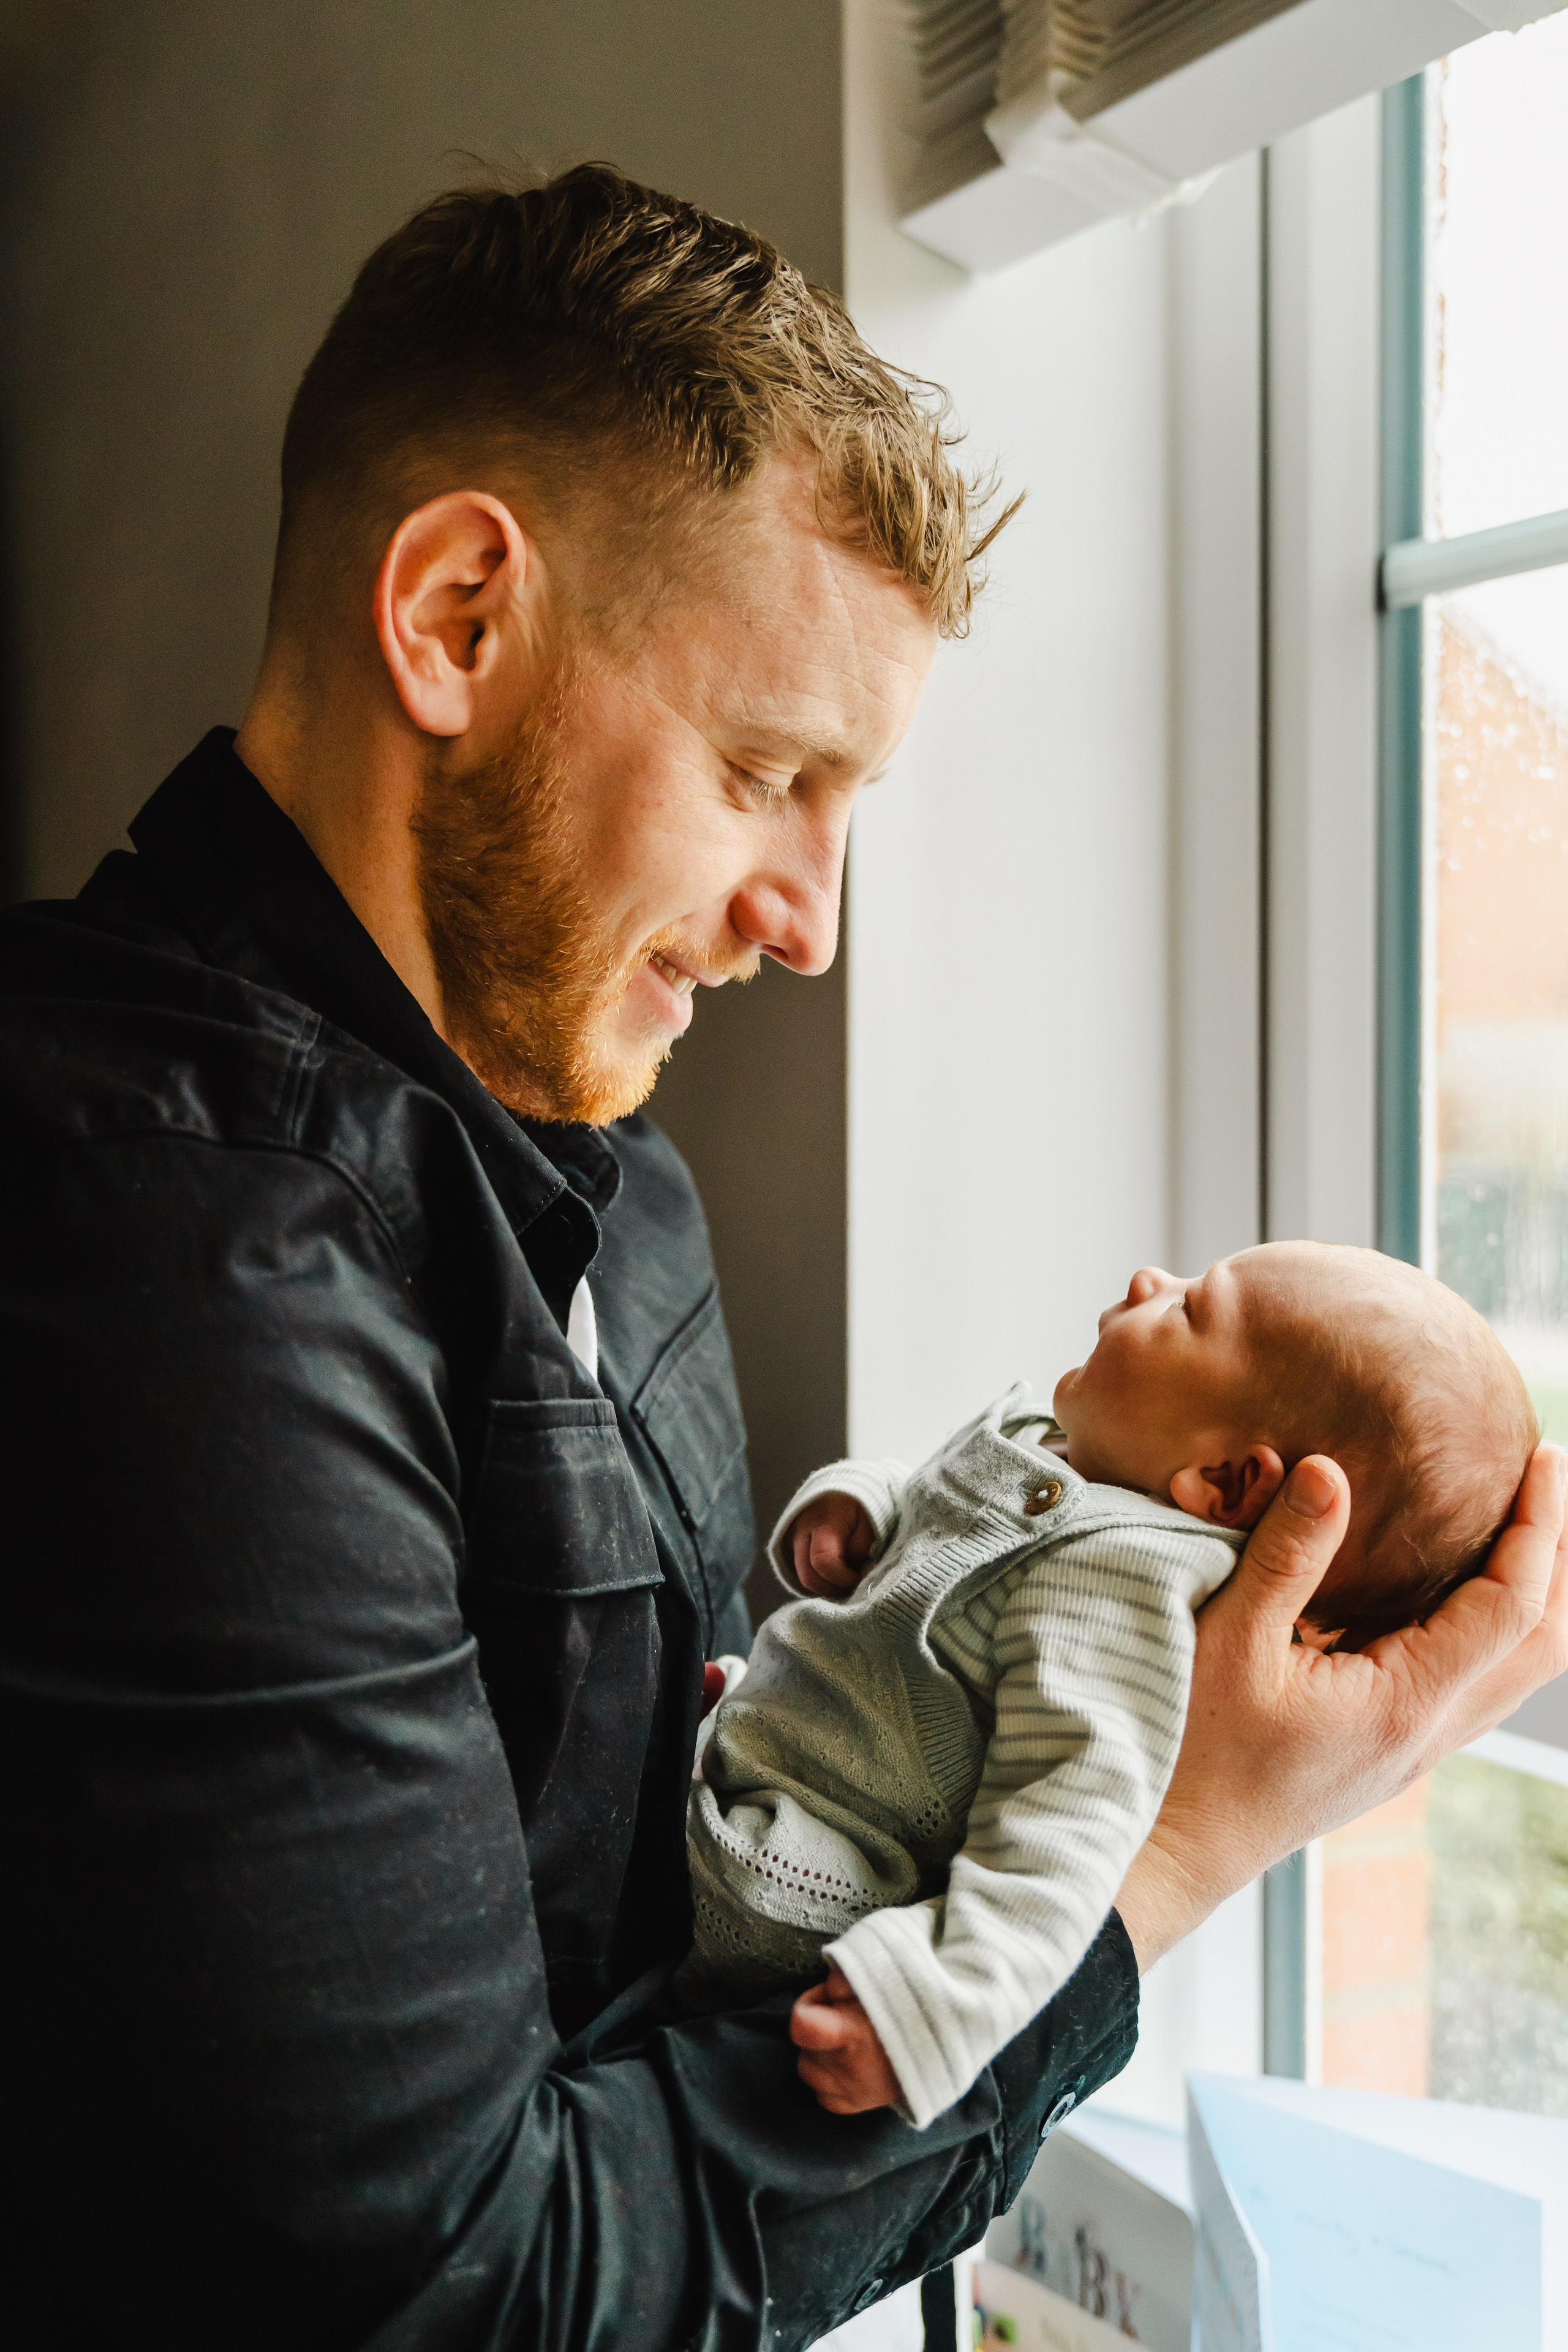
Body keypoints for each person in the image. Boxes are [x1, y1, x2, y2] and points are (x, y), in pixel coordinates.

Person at [0, 164, 1562, 2352]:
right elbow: (464, 2300)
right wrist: (1166, 1859)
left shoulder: (623, 1202)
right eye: (766, 774)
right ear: (456, 619)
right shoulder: (162, 1260)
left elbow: (648, 1940)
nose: (811, 926)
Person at [682, 1244, 1537, 2127]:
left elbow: (1060, 1838)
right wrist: (863, 1507)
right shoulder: (1063, 1459)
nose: (1146, 1284)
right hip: (784, 1743)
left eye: (1192, 1310)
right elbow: (935, 1509)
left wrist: (932, 2008)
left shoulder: (1124, 1596)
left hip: (786, 1873)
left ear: (1227, 1481)